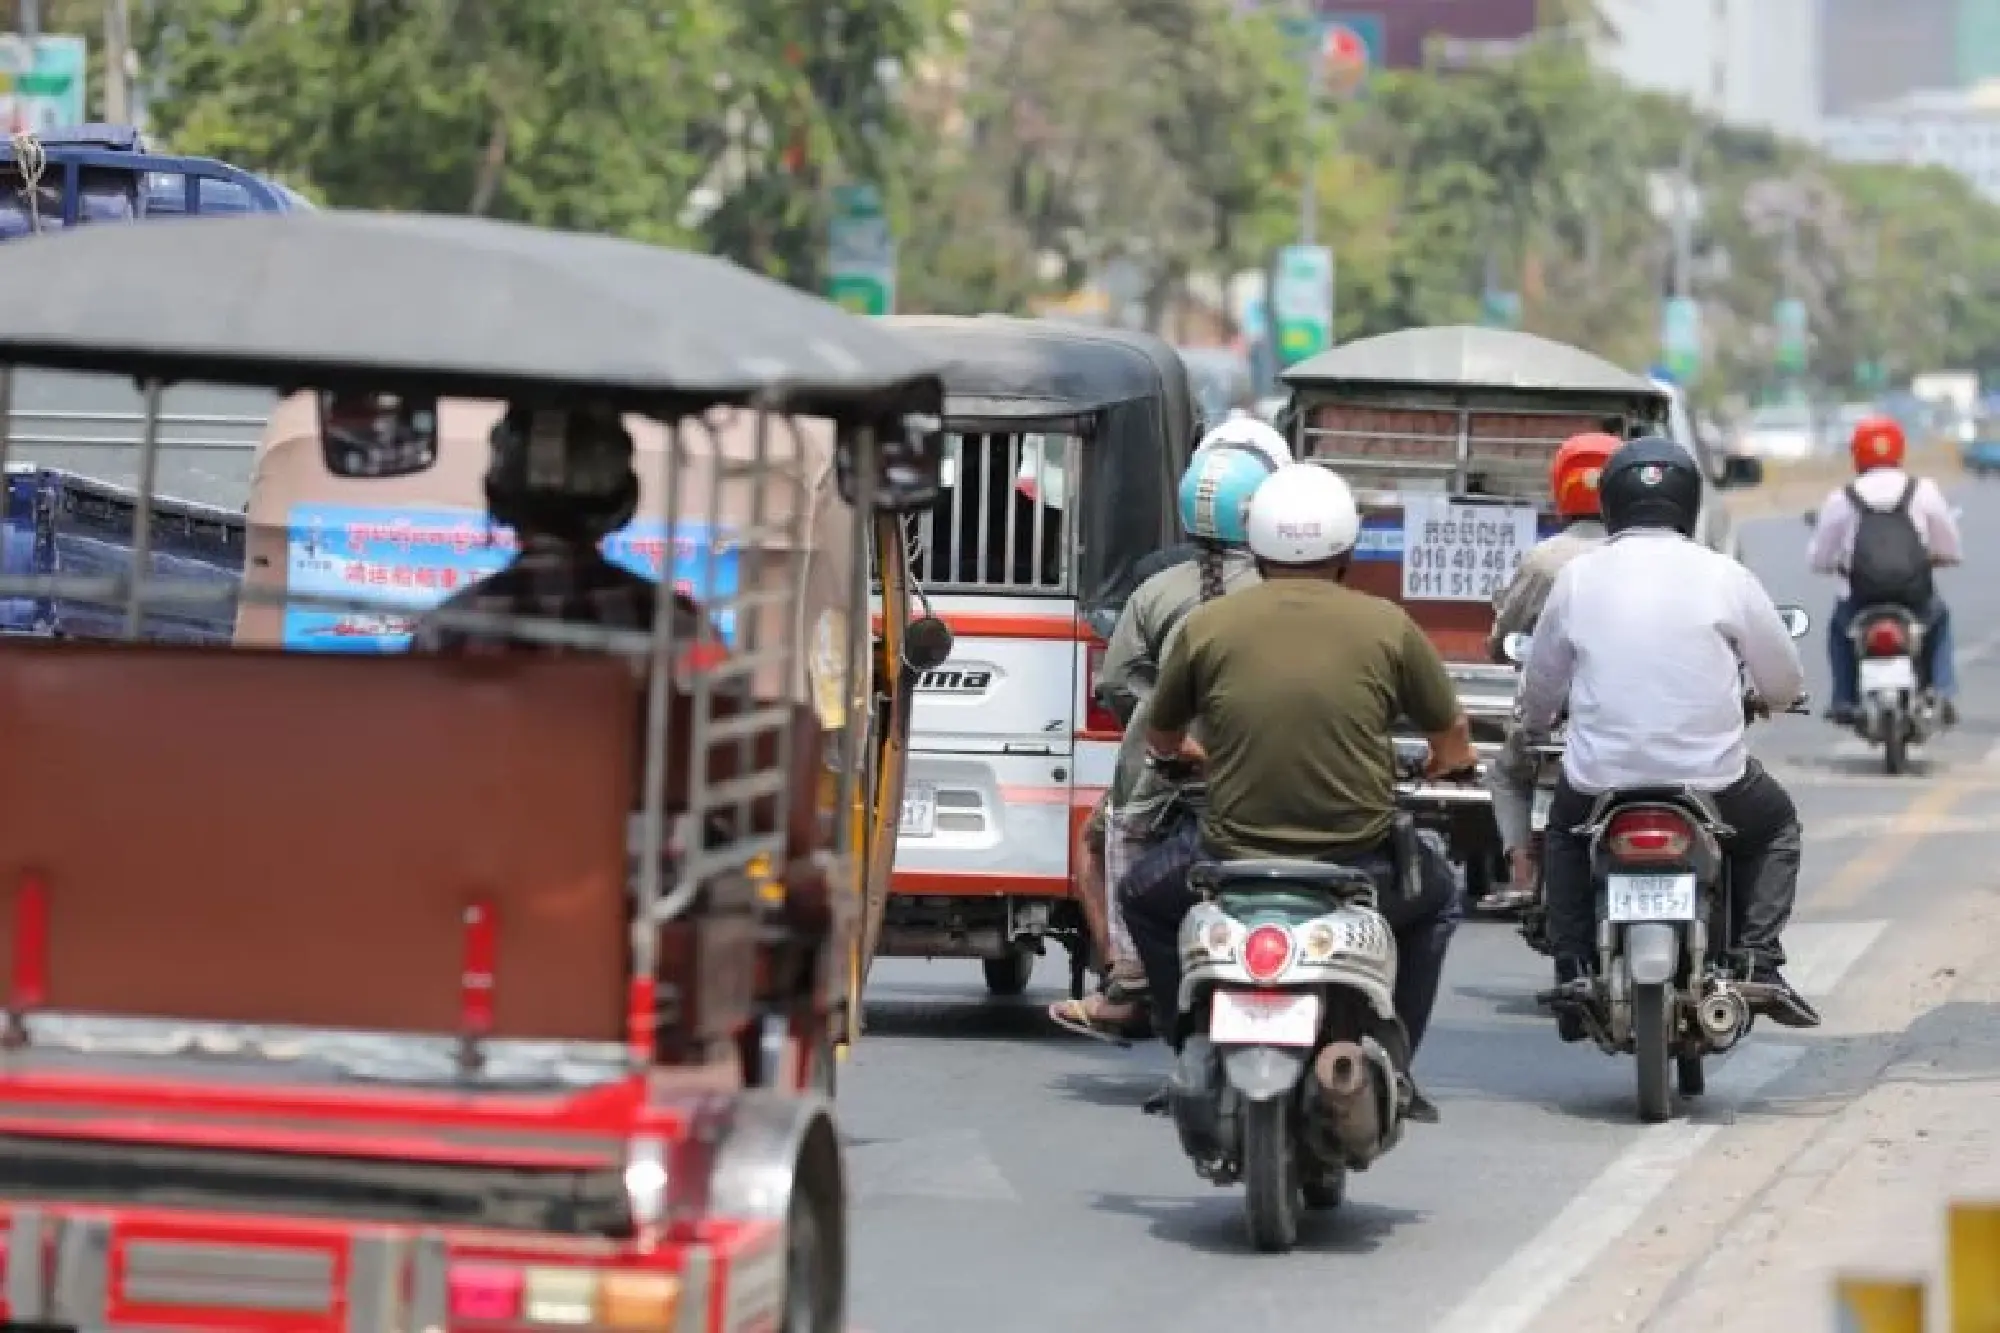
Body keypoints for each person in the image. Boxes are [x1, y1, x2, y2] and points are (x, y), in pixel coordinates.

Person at [1120, 462, 1476, 1123]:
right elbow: (1452, 736)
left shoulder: (1209, 624)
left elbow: (1162, 736)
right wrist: (1446, 767)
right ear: (1346, 549)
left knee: (1141, 894)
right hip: (1360, 861)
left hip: (1229, 857)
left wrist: (1186, 759)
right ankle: (1397, 1063)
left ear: (1258, 546)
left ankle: (1186, 1043)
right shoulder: (1388, 625)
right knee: (1439, 901)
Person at [1520, 435, 1820, 1034]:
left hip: (1601, 779)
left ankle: (1573, 964)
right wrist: (1777, 702)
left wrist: (1535, 722)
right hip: (1712, 781)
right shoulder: (1725, 574)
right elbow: (1783, 678)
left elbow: (1542, 683)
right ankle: (1758, 958)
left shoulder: (1577, 579)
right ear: (1689, 502)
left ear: (1611, 503)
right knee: (1776, 828)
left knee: (1563, 833)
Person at [1048, 419, 1287, 1042]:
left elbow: (1116, 682)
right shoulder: (1285, 590)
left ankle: (1127, 978)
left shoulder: (1155, 588)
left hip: (1160, 775)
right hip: (1267, 767)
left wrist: (1156, 726)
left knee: (1107, 838)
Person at [410, 403, 711, 658]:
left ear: (498, 500)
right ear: (624, 503)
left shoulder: (443, 630)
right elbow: (723, 697)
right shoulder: (681, 624)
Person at [1480, 431, 1618, 910]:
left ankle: (1522, 870)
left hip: (1555, 721)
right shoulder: (1649, 558)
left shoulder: (1546, 560)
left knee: (1505, 774)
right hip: (1632, 722)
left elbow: (1505, 635)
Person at [1807, 415, 1963, 726]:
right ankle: (1942, 691)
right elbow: (1949, 545)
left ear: (1856, 453)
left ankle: (1843, 699)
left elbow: (1819, 558)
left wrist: (1834, 564)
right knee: (1939, 620)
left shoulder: (1842, 497)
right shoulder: (1922, 490)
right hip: (1914, 596)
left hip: (1859, 598)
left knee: (1840, 631)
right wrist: (1941, 558)